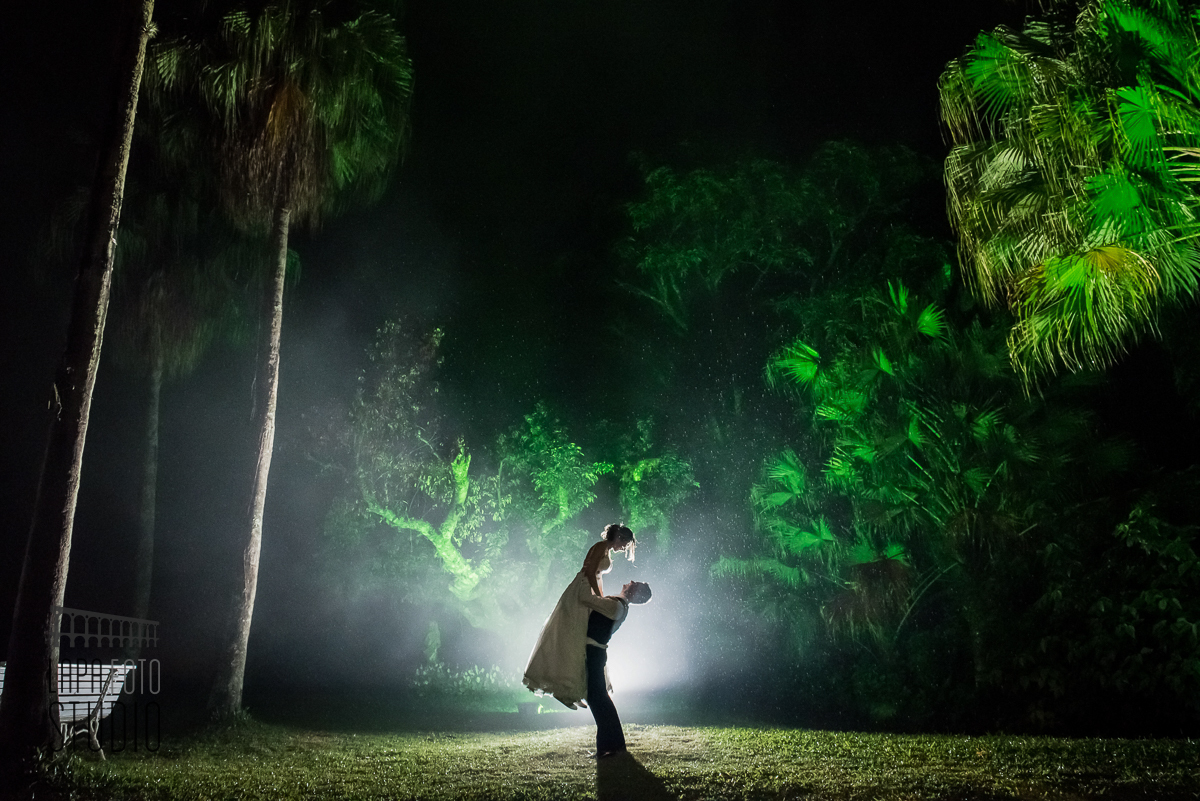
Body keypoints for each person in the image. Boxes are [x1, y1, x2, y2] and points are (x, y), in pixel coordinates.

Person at [522, 524, 637, 708]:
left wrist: (601, 597)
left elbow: (597, 575)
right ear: (619, 537)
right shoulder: (600, 546)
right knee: (573, 637)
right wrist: (597, 598)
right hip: (582, 588)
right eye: (624, 544)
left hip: (590, 587)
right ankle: (563, 690)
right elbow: (590, 572)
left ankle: (573, 690)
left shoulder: (606, 550)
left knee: (579, 641)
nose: (623, 548)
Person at [581, 579, 652, 758]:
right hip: (596, 653)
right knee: (599, 699)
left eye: (634, 584)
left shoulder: (615, 606)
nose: (630, 581)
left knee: (598, 699)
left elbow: (585, 598)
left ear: (634, 592)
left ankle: (608, 747)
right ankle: (612, 745)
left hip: (594, 653)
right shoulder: (618, 605)